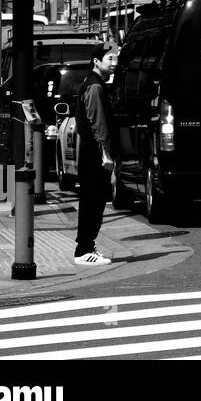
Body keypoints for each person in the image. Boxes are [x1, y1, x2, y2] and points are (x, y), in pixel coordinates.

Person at [74, 43, 118, 266]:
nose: (114, 63)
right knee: (94, 201)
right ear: (97, 61)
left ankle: (86, 247)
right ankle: (84, 250)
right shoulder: (95, 87)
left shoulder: (92, 83)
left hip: (90, 152)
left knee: (94, 200)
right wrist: (106, 154)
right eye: (110, 58)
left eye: (116, 58)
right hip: (95, 154)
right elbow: (98, 123)